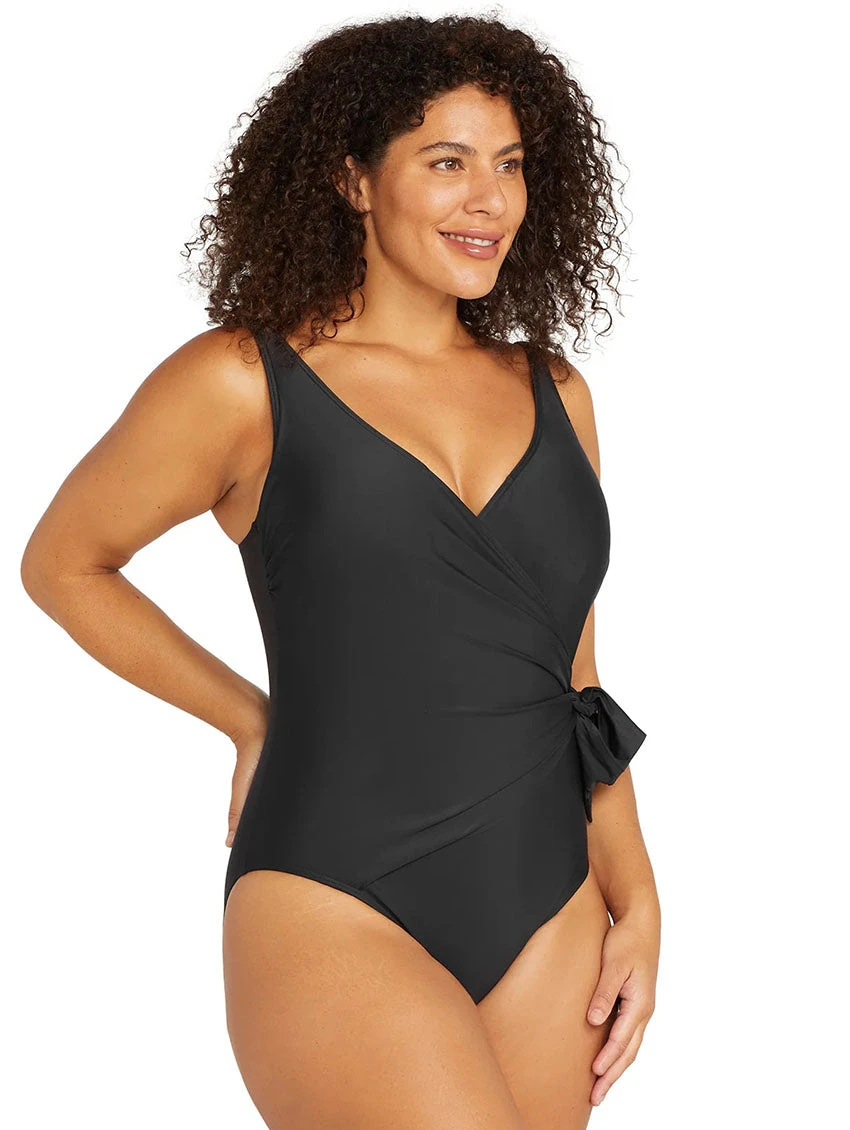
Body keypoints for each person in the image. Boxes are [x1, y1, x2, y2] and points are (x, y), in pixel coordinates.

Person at [21, 14, 661, 1130]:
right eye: (447, 162)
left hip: (548, 898)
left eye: (510, 165)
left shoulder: (557, 392)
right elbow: (65, 562)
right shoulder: (243, 379)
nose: (490, 200)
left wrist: (638, 893)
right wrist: (246, 716)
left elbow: (574, 676)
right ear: (352, 179)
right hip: (334, 888)